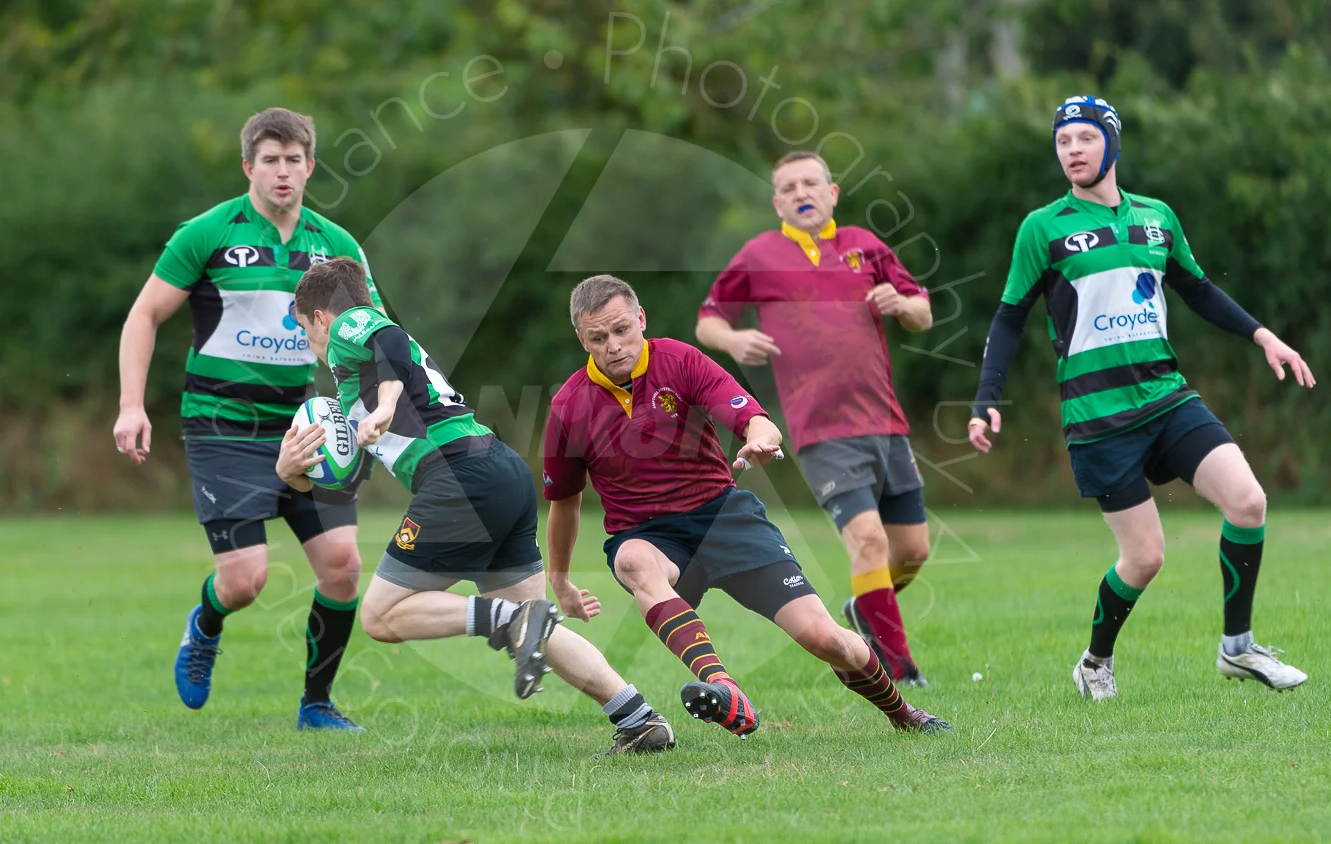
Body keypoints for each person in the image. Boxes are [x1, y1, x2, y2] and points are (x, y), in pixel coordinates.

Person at [969, 95, 1315, 700]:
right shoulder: (1042, 228)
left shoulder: (1156, 218)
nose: (1072, 151)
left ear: (1112, 144)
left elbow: (1199, 290)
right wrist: (986, 398)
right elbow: (1007, 319)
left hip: (1168, 398)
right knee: (1146, 557)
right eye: (1062, 142)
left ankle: (1239, 650)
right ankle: (1095, 662)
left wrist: (1265, 337)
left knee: (1248, 501)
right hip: (1099, 417)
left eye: (1084, 139)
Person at [276, 257, 677, 756]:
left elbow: (391, 343)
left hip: (458, 479)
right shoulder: (353, 380)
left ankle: (506, 619)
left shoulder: (350, 324)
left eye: (302, 327)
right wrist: (290, 471)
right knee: (536, 625)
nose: (307, 341)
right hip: (496, 470)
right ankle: (639, 720)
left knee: (381, 617)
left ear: (319, 316)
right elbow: (344, 480)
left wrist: (381, 407)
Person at [543, 274, 950, 739]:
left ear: (640, 319)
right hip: (649, 536)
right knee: (634, 560)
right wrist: (559, 579)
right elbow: (564, 502)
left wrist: (759, 441)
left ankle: (903, 713)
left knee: (825, 638)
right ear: (582, 339)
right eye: (598, 338)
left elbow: (756, 420)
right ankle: (724, 687)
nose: (613, 346)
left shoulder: (680, 360)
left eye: (621, 331)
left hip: (724, 517)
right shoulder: (568, 405)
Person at [113, 108, 383, 730]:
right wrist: (131, 404)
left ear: (310, 166)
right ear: (248, 167)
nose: (282, 171)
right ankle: (205, 624)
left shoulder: (336, 247)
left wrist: (384, 407)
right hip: (221, 426)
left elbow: (372, 334)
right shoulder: (206, 234)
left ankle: (316, 705)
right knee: (245, 581)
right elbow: (144, 316)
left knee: (343, 568)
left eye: (294, 159)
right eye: (270, 159)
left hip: (304, 423)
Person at [695, 151, 935, 685]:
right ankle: (896, 666)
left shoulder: (865, 246)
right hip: (821, 431)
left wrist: (901, 303)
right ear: (777, 201)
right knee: (868, 541)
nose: (802, 191)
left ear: (833, 192)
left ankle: (864, 608)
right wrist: (734, 339)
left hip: (886, 423)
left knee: (913, 551)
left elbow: (923, 313)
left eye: (812, 182)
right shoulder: (759, 255)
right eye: (789, 186)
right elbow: (709, 321)